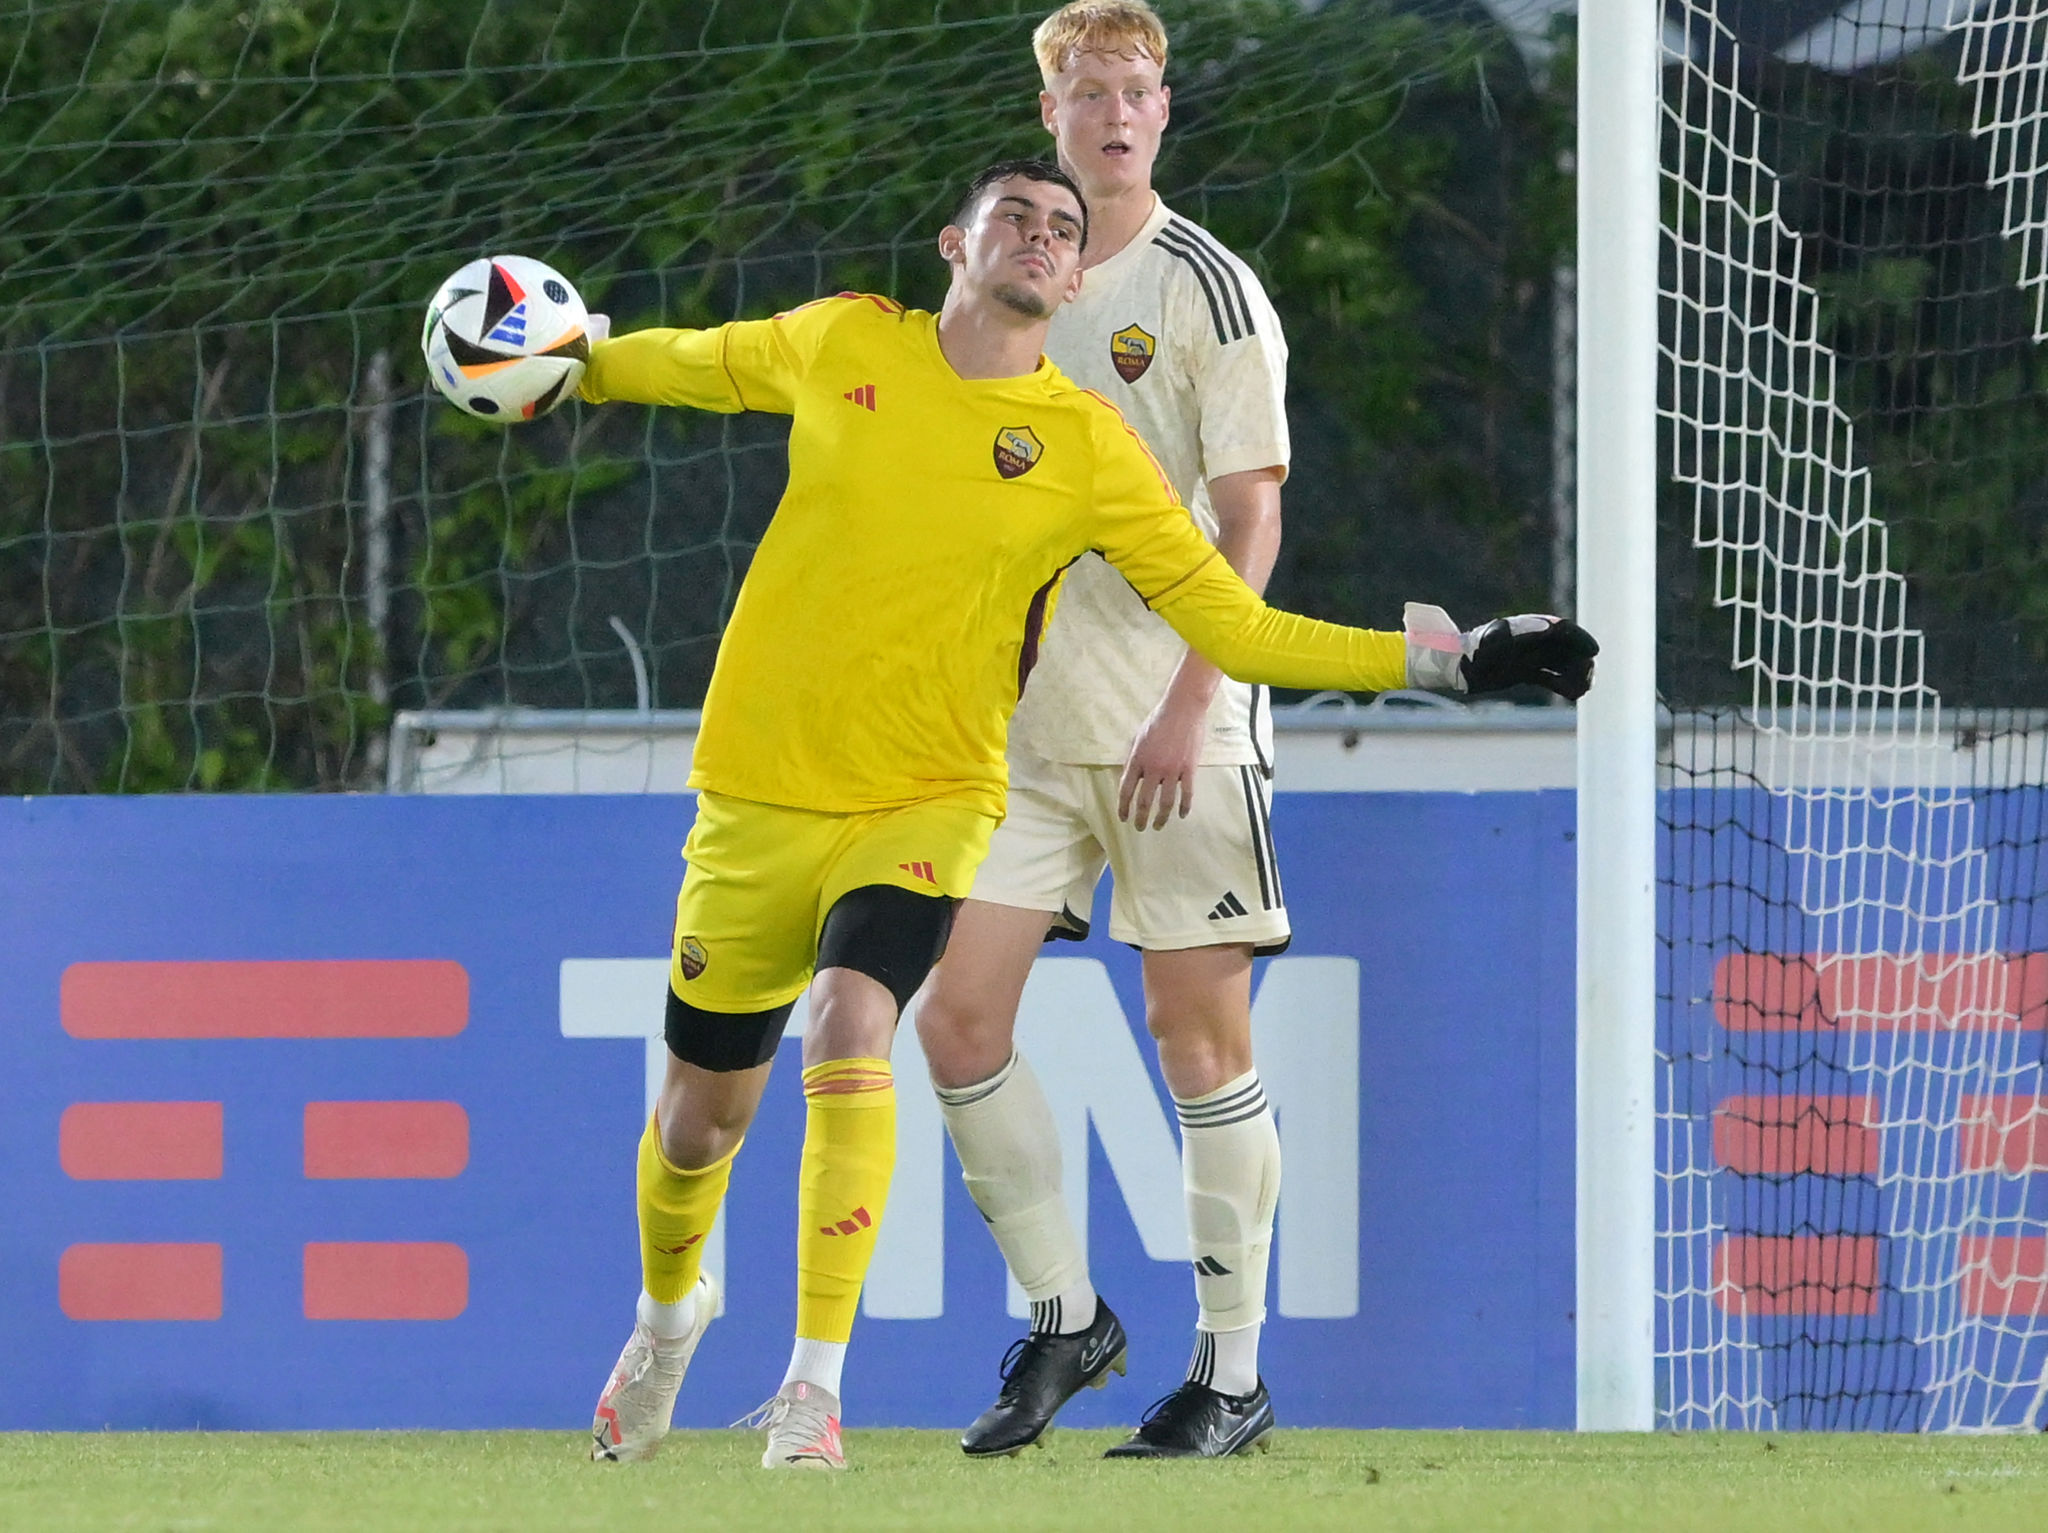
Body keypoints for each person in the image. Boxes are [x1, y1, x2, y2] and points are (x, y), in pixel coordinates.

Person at [578, 156, 1595, 1473]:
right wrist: (571, 357)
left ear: (1074, 274)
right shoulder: (841, 340)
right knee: (697, 1122)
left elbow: (1237, 622)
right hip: (756, 795)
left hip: (929, 799)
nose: (1048, 240)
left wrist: (1442, 660)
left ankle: (812, 1391)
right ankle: (670, 1319)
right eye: (1020, 217)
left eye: (1066, 231)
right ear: (956, 241)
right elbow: (687, 362)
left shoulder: (1082, 446)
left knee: (855, 1021)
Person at [913, 0, 1331, 1460]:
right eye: (1088, 90)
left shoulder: (1207, 289)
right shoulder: (1009, 277)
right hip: (1018, 738)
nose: (1114, 112)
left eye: (1138, 90)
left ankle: (1230, 1374)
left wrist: (1189, 701)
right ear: (1050, 114)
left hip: (1179, 728)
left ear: (1164, 111)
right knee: (956, 1017)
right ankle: (1068, 1317)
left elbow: (1253, 517)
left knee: (1196, 1036)